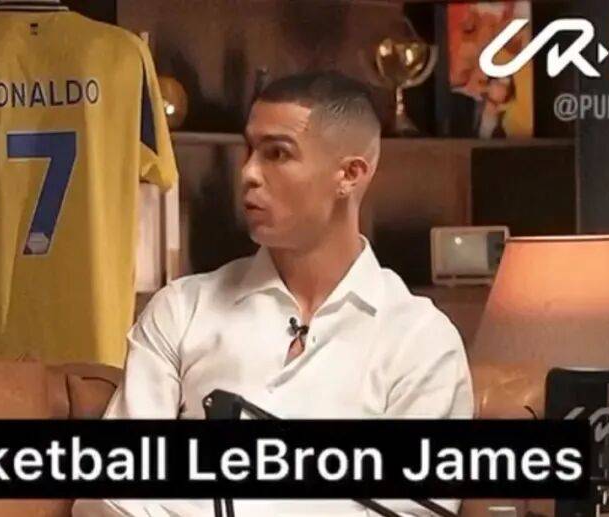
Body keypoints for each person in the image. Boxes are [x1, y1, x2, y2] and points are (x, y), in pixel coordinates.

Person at [73, 72, 474, 516]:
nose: (248, 173)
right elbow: (110, 497)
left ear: (350, 174)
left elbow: (409, 511)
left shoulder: (420, 340)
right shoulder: (181, 310)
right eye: (249, 150)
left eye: (277, 153)